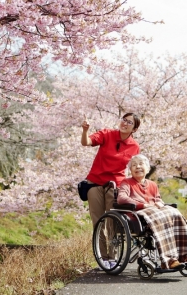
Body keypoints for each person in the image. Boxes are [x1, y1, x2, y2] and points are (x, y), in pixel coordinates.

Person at [117, 154, 187, 270]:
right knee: (160, 219)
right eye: (134, 165)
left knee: (175, 213)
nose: (137, 167)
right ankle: (170, 260)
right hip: (139, 214)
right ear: (130, 170)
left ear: (148, 168)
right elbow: (121, 198)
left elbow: (158, 198)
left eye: (141, 164)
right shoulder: (127, 182)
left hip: (155, 211)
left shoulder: (153, 184)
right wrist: (142, 204)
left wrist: (160, 203)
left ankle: (186, 255)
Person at [81, 113, 141, 268]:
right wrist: (85, 130)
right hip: (94, 183)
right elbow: (86, 142)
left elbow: (134, 168)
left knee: (112, 222)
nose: (125, 123)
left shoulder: (134, 146)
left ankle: (112, 256)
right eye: (124, 120)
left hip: (115, 186)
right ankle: (102, 257)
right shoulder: (107, 134)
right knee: (98, 221)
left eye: (130, 122)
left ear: (134, 129)